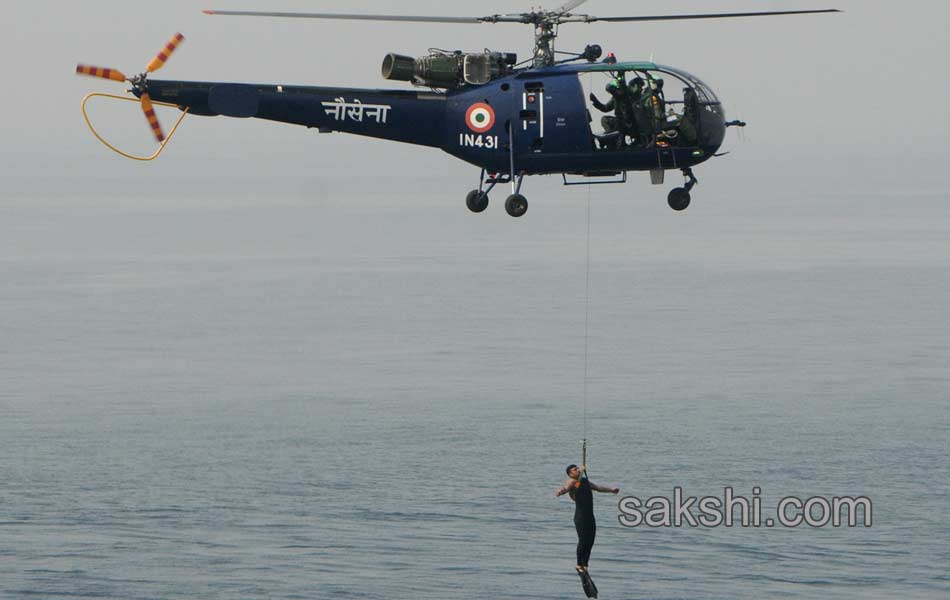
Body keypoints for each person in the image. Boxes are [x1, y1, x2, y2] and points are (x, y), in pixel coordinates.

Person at [555, 464, 620, 578]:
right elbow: (566, 488)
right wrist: (560, 491)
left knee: (590, 541)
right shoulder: (572, 481)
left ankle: (585, 565)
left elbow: (598, 488)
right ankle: (579, 564)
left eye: (578, 468)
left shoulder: (584, 481)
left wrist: (611, 490)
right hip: (581, 517)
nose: (578, 470)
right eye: (575, 470)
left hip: (590, 516)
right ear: (570, 473)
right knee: (583, 540)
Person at [589, 79, 634, 147]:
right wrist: (595, 101)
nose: (613, 94)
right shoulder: (615, 99)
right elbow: (605, 108)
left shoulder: (628, 96)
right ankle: (611, 138)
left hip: (629, 123)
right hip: (620, 121)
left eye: (614, 92)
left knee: (619, 123)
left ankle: (616, 140)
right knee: (604, 119)